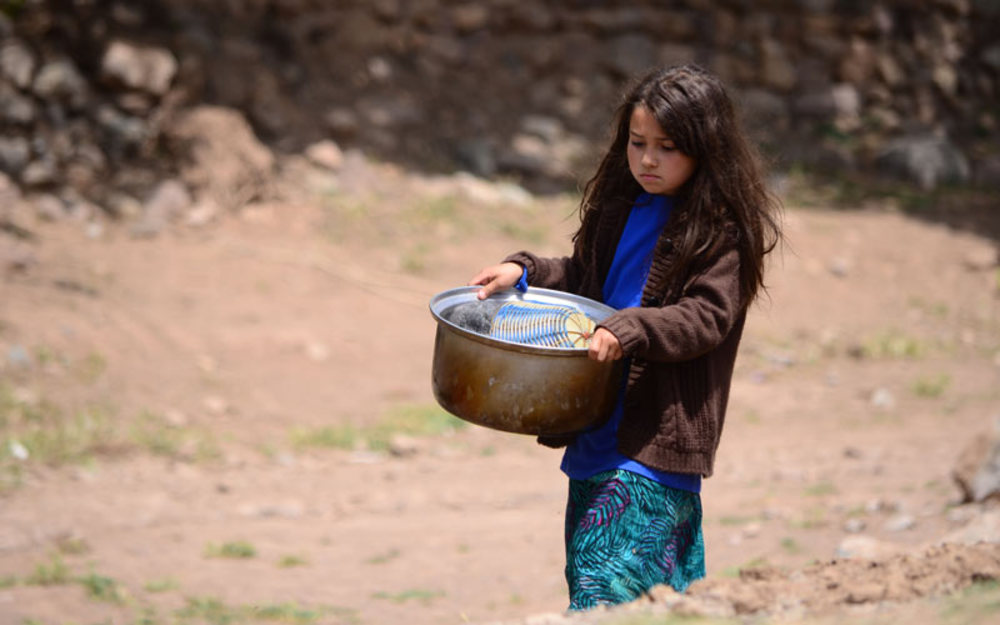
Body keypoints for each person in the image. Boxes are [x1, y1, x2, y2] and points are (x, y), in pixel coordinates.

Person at [467, 64, 783, 610]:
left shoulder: (721, 231)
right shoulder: (621, 207)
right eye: (638, 143)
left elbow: (706, 317)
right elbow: (585, 278)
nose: (648, 160)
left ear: (707, 149)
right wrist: (524, 272)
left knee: (603, 588)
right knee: (641, 596)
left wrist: (630, 326)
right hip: (596, 428)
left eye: (668, 147)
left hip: (653, 441)